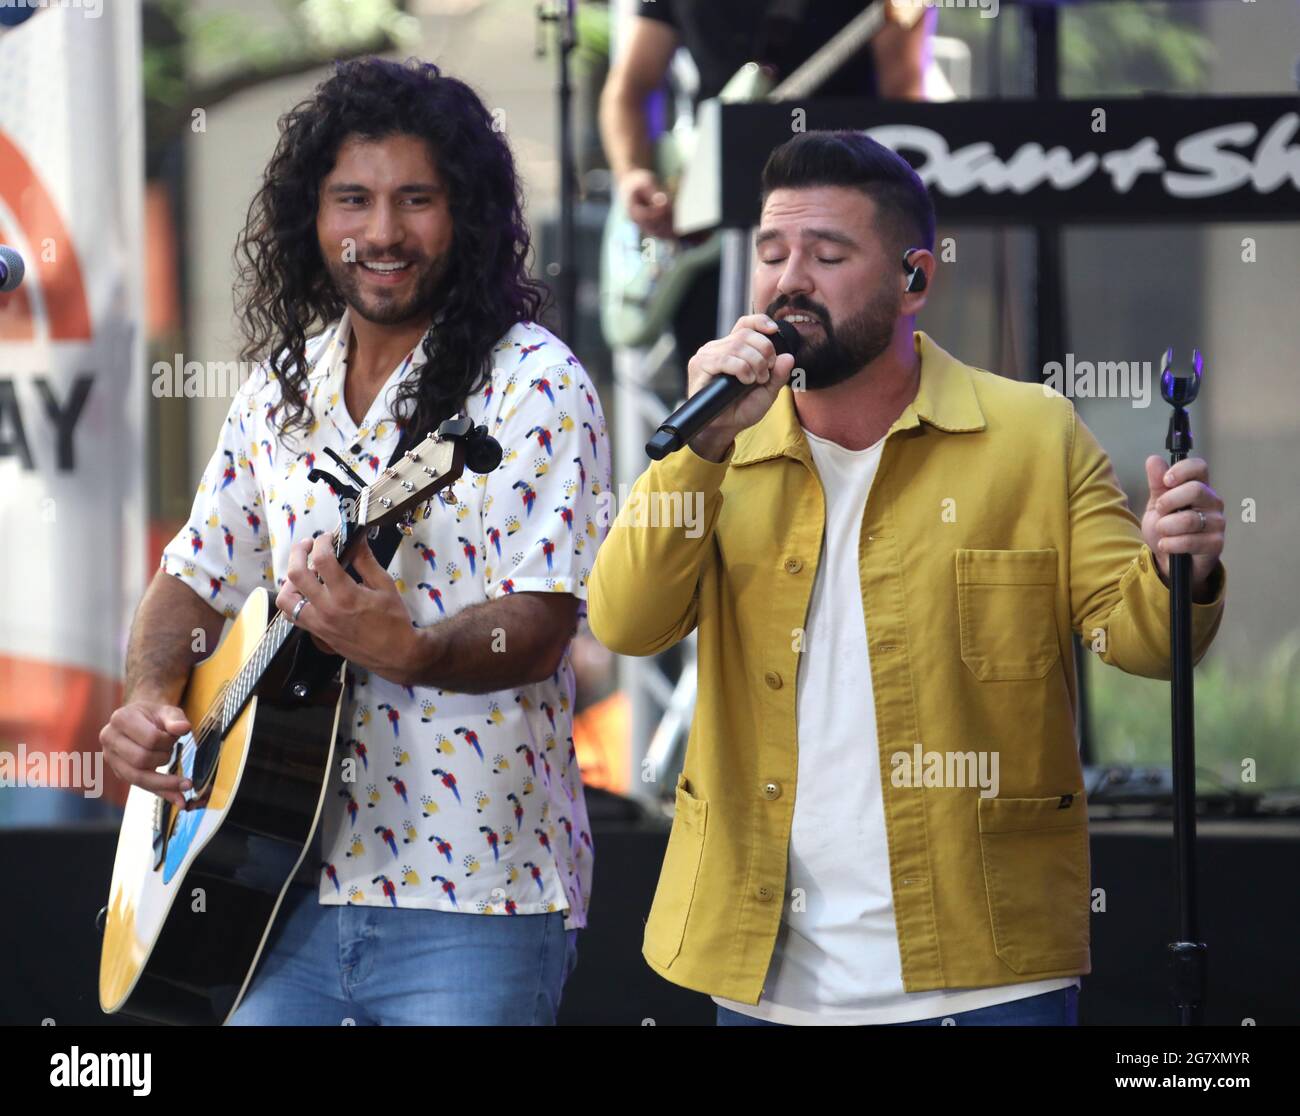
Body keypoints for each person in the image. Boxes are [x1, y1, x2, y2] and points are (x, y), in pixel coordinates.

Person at [587, 130, 1227, 1026]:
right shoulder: (719, 448)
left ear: (914, 281)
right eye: (771, 254)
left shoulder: (1030, 435)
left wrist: (1176, 570)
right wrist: (698, 455)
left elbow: (1144, 641)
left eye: (828, 252)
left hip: (989, 972)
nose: (787, 279)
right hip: (768, 983)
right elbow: (624, 622)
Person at [99, 58, 611, 1025]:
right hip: (272, 887)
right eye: (353, 200)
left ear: (466, 213)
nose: (382, 233)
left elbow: (541, 625)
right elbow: (192, 575)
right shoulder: (284, 386)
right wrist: (146, 697)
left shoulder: (533, 384)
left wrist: (414, 649)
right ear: (313, 215)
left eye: (416, 199)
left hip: (473, 899)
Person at [599, 0, 936, 365]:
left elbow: (904, 98)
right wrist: (633, 173)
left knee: (825, 368)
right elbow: (629, 87)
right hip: (704, 216)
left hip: (835, 208)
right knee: (715, 370)